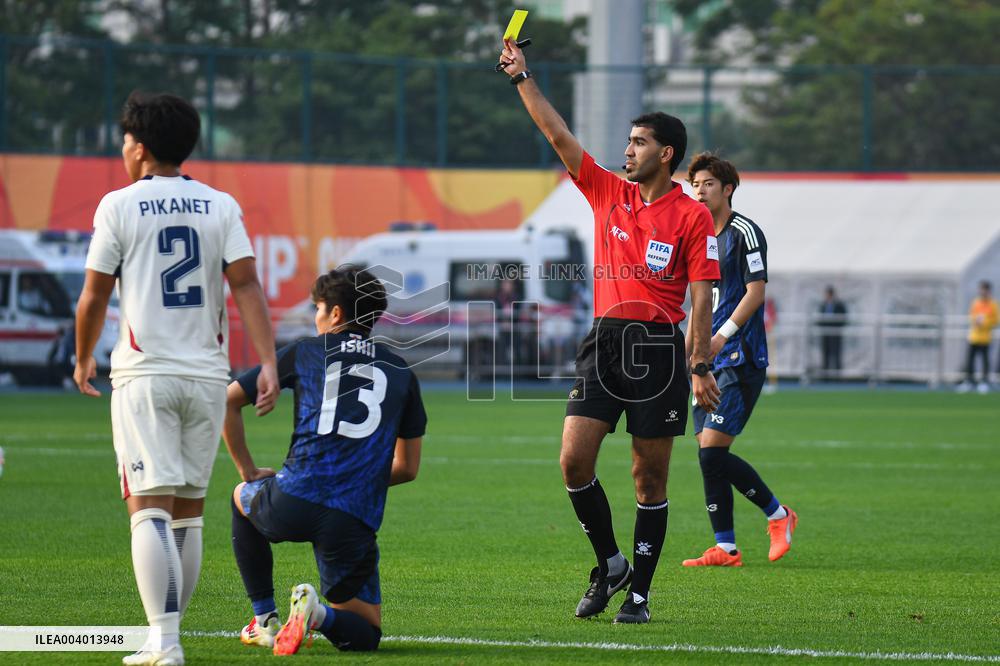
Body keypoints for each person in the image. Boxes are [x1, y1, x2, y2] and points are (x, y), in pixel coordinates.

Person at [498, 39, 721, 624]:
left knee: (649, 478)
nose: (627, 150)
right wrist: (523, 76)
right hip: (603, 342)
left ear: (666, 154)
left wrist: (699, 362)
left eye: (639, 142)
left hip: (657, 351)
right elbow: (557, 136)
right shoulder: (607, 192)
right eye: (627, 141)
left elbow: (702, 294)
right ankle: (611, 562)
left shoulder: (692, 216)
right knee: (574, 462)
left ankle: (640, 596)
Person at [74, 91, 279, 666]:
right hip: (208, 378)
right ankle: (166, 635)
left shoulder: (118, 206)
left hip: (145, 374)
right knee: (187, 510)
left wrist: (82, 355)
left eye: (123, 139)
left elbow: (93, 294)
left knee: (148, 508)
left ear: (137, 147)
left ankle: (164, 642)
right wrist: (266, 362)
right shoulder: (220, 205)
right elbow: (246, 287)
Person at [225, 266, 426, 655]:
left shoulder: (304, 352)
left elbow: (228, 401)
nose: (315, 317)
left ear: (335, 314)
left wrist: (248, 470)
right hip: (351, 519)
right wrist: (360, 478)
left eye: (318, 308)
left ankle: (264, 619)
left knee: (241, 497)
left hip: (292, 498)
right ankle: (317, 615)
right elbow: (408, 468)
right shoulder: (401, 372)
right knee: (365, 636)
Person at [683, 153, 797, 568]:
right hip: (705, 359)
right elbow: (696, 299)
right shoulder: (693, 234)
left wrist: (719, 337)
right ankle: (726, 548)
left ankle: (779, 515)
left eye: (708, 183)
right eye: (695, 183)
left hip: (739, 356)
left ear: (727, 188)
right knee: (706, 455)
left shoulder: (744, 232)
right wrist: (692, 348)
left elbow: (755, 293)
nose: (699, 190)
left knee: (713, 454)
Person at [957, 280, 998, 394]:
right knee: (970, 360)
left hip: (985, 337)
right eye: (981, 289)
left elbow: (996, 320)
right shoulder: (976, 303)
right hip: (974, 336)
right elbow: (972, 316)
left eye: (985, 289)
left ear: (989, 291)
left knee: (985, 361)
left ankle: (984, 382)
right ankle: (969, 381)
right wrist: (976, 320)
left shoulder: (993, 304)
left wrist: (985, 322)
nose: (983, 291)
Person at [818, 286, 847, 374]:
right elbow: (819, 318)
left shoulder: (839, 305)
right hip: (825, 333)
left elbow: (843, 318)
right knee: (825, 353)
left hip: (835, 333)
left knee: (836, 354)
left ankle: (837, 376)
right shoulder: (823, 305)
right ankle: (825, 375)